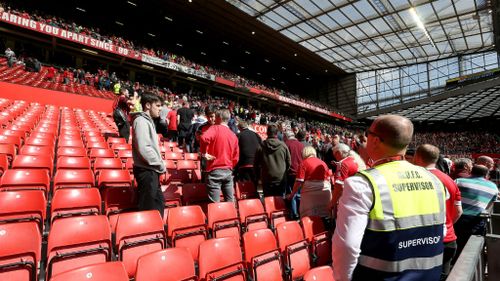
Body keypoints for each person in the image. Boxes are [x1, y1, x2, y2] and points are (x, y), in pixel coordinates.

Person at [332, 114, 446, 281]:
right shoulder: (434, 180)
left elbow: (347, 245)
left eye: (368, 134)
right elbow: (440, 229)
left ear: (376, 141)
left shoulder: (362, 183)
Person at [414, 144, 462, 280]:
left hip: (422, 241)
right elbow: (458, 211)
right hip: (449, 240)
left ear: (417, 156)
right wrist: (447, 225)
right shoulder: (450, 180)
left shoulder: (414, 178)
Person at [132, 92, 166, 218]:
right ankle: (149, 235)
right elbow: (144, 148)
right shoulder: (141, 121)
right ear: (147, 105)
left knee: (157, 207)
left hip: (151, 170)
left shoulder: (147, 121)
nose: (160, 109)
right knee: (149, 210)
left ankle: (156, 234)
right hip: (147, 171)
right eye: (157, 105)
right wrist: (160, 165)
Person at [454, 164, 498, 259]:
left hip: (457, 217)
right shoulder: (493, 186)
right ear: (486, 174)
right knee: (471, 248)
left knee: (456, 244)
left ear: (471, 171)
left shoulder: (458, 181)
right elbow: (489, 205)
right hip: (477, 219)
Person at [200, 109, 239, 202]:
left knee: (215, 204)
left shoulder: (214, 128)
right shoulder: (233, 135)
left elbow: (203, 138)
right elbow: (236, 157)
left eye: (215, 117)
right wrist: (230, 166)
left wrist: (204, 153)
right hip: (228, 171)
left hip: (214, 170)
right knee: (230, 202)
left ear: (219, 118)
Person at [288, 146, 332, 219]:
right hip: (324, 192)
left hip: (309, 195)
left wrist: (292, 194)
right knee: (324, 216)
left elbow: (299, 182)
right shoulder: (323, 163)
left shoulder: (303, 163)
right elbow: (328, 179)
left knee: (309, 217)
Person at [254, 124, 291, 197]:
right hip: (280, 178)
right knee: (280, 203)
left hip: (267, 178)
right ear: (277, 133)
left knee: (268, 201)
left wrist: (258, 177)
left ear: (267, 133)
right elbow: (289, 163)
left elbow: (256, 164)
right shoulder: (283, 146)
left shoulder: (261, 146)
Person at [330, 143, 366, 218]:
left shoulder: (342, 164)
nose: (335, 157)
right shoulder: (355, 159)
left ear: (338, 153)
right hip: (358, 198)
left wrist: (332, 203)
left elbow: (339, 187)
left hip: (347, 200)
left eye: (334, 154)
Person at [285, 130, 304, 219]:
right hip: (300, 173)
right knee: (299, 194)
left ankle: (294, 214)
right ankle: (300, 213)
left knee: (292, 194)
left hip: (290, 173)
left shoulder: (286, 144)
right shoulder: (301, 145)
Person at [235, 120, 261, 185]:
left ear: (239, 128)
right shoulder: (256, 134)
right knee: (254, 186)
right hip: (256, 163)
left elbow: (235, 149)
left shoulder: (239, 135)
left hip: (244, 164)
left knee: (246, 187)